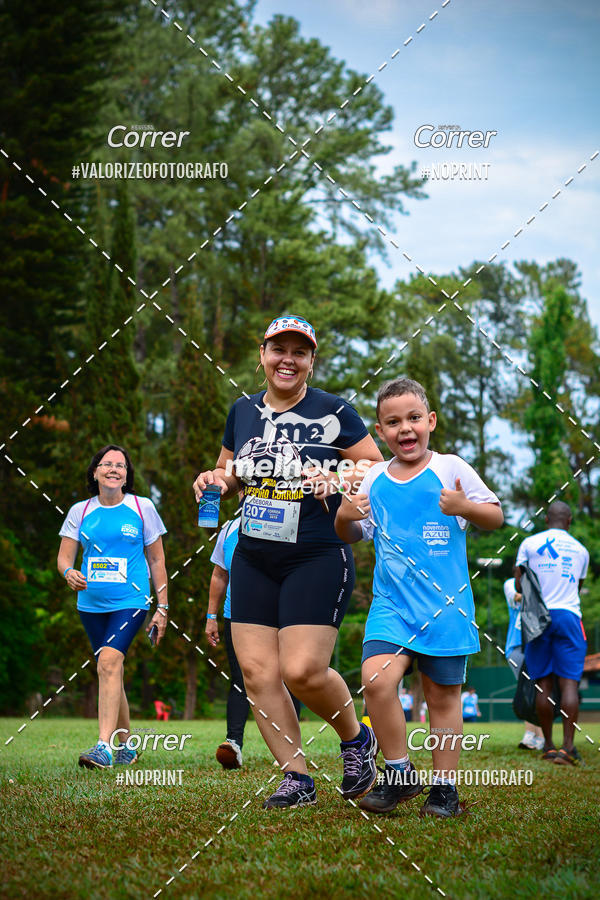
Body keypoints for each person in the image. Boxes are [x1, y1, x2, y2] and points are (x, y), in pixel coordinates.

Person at [193, 314, 383, 809]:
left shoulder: (335, 410)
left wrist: (337, 475)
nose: (288, 359)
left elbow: (377, 466)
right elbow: (230, 469)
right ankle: (296, 778)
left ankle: (357, 739)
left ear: (311, 362)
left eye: (299, 352)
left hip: (317, 553)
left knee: (302, 670)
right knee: (257, 674)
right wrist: (215, 480)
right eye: (279, 349)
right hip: (253, 555)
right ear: (262, 355)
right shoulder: (242, 410)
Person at [335, 377, 503, 818]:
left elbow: (496, 515)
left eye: (413, 418)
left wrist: (465, 508)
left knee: (443, 698)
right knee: (376, 681)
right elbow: (351, 532)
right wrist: (345, 516)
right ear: (380, 430)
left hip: (445, 607)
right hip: (391, 606)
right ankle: (399, 772)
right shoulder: (374, 477)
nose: (404, 429)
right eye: (393, 422)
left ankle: (444, 789)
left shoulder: (451, 468)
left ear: (429, 421)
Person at [57, 445, 168, 769]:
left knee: (107, 662)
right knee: (110, 669)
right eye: (107, 464)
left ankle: (103, 747)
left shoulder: (141, 506)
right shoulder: (81, 510)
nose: (114, 469)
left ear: (127, 474)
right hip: (90, 605)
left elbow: (157, 559)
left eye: (121, 465)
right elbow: (65, 557)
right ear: (95, 472)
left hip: (132, 601)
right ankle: (127, 747)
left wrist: (163, 606)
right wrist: (68, 572)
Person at [207, 509, 301, 769]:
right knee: (241, 679)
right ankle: (233, 744)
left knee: (290, 677)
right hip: (236, 615)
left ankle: (291, 746)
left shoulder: (286, 518)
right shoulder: (228, 528)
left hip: (282, 614)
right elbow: (219, 574)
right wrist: (210, 616)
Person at [515, 501, 589, 766]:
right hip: (569, 617)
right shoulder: (581, 550)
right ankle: (568, 749)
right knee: (569, 683)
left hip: (538, 618)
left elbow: (518, 583)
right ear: (568, 521)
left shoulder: (530, 544)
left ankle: (548, 746)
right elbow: (578, 588)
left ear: (547, 519)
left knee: (543, 683)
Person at [504, 574, 544, 750]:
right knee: (528, 690)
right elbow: (517, 597)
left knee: (536, 691)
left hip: (536, 645)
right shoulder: (510, 584)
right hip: (516, 646)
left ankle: (535, 736)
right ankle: (535, 736)